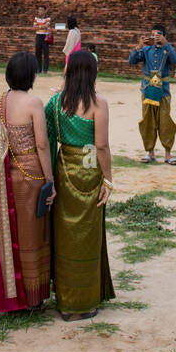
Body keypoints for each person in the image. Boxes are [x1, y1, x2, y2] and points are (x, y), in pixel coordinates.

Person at [0, 51, 54, 314]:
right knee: (32, 234)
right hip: (31, 172)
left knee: (11, 236)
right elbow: (42, 145)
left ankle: (14, 295)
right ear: (30, 76)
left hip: (6, 174)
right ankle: (33, 298)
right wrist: (50, 180)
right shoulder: (34, 103)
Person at [43, 49, 114, 320]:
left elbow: (48, 140)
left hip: (64, 168)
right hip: (89, 169)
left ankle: (65, 299)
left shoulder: (55, 102)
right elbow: (101, 145)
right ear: (93, 74)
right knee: (88, 233)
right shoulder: (98, 103)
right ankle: (85, 301)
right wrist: (107, 178)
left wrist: (49, 178)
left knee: (64, 235)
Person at [128, 25, 176, 165]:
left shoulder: (167, 49)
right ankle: (150, 152)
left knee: (165, 121)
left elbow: (175, 60)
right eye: (153, 35)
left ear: (163, 35)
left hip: (163, 91)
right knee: (148, 121)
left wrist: (165, 43)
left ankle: (168, 154)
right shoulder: (146, 50)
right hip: (147, 90)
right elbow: (131, 61)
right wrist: (139, 46)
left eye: (158, 35)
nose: (154, 37)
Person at [33, 4, 53, 74]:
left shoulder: (48, 18)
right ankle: (39, 69)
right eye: (39, 10)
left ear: (45, 11)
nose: (40, 11)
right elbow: (34, 27)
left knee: (46, 53)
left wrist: (39, 26)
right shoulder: (36, 18)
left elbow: (46, 26)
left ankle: (45, 70)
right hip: (38, 36)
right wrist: (42, 26)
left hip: (45, 36)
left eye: (41, 10)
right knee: (37, 53)